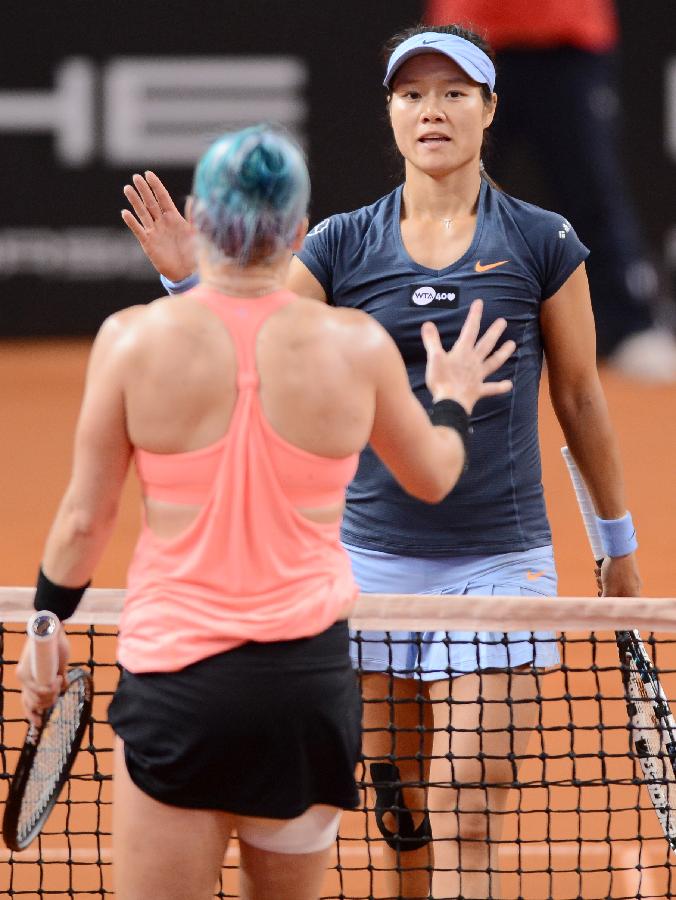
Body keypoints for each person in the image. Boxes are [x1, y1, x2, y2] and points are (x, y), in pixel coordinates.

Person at [121, 24, 642, 899]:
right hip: (366, 568)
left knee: (472, 806)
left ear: (488, 110)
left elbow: (582, 399)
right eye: (411, 95)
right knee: (398, 806)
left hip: (500, 567)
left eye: (452, 93)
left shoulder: (544, 241)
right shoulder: (340, 245)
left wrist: (617, 544)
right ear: (391, 114)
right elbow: (252, 350)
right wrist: (187, 283)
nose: (430, 110)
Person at [16, 124, 516, 900]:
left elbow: (85, 523)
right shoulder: (355, 347)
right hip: (305, 697)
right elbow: (434, 475)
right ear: (299, 230)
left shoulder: (130, 341)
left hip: (177, 693)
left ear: (198, 215)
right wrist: (449, 398)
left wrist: (44, 637)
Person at [425, 0, 676, 382]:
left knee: (591, 190)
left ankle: (628, 326)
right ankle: (430, 323)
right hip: (469, 39)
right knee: (451, 192)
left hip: (568, 36)